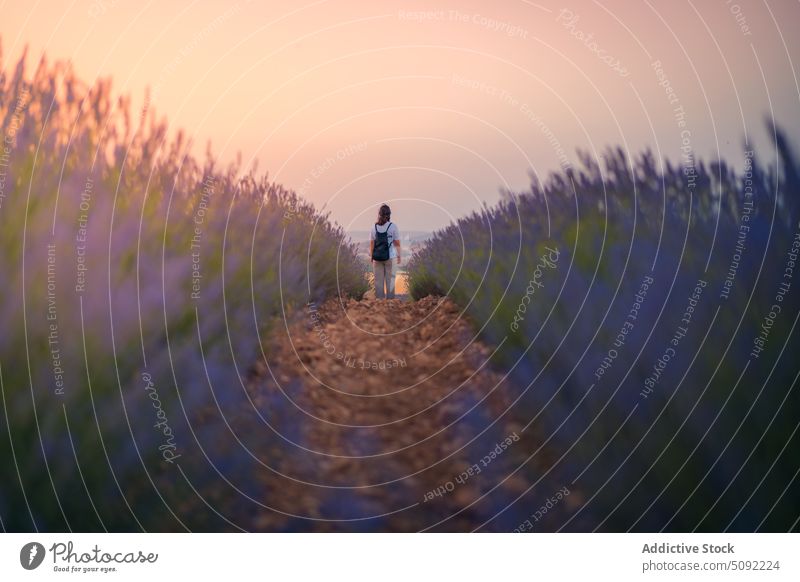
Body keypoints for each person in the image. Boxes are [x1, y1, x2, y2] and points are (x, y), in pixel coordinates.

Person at [370, 203, 401, 299]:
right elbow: (397, 243)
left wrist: (372, 257)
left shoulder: (374, 227)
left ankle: (379, 305)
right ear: (389, 215)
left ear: (379, 214)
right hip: (390, 258)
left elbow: (372, 244)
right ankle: (390, 305)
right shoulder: (393, 226)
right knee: (390, 282)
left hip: (377, 258)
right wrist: (399, 256)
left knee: (378, 283)